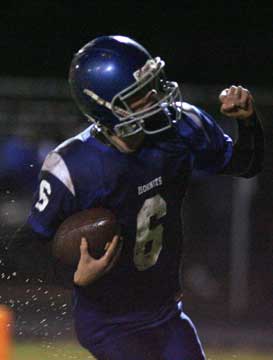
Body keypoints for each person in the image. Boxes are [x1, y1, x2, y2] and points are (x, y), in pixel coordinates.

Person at [7, 35, 264, 359]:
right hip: (110, 323)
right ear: (106, 107)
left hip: (167, 313)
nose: (155, 97)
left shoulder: (181, 127)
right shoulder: (74, 166)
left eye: (152, 84)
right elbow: (25, 247)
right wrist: (72, 275)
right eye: (140, 95)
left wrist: (248, 122)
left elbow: (245, 165)